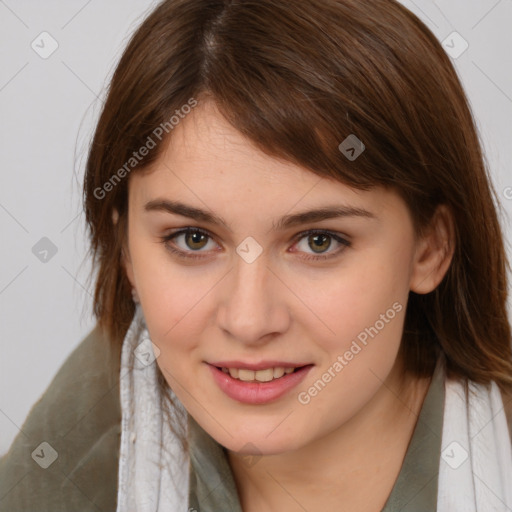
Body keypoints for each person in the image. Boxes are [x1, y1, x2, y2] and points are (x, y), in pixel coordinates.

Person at [1, 0, 511, 510]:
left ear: (430, 247)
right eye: (193, 239)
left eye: (318, 241)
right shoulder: (82, 437)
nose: (248, 322)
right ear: (126, 253)